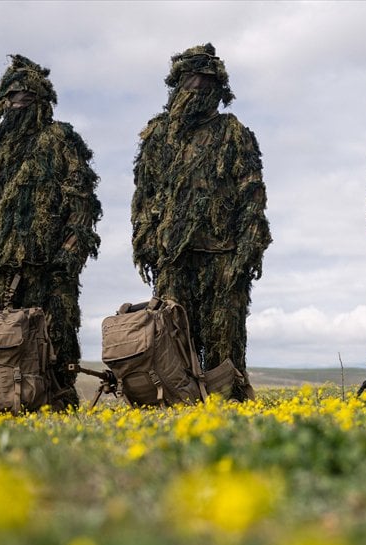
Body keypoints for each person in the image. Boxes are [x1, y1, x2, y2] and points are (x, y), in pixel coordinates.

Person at [0, 54, 102, 408]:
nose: (19, 102)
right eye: (13, 96)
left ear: (42, 102)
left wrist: (68, 253)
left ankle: (59, 405)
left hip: (49, 267)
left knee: (56, 339)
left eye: (27, 97)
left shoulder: (59, 139)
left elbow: (81, 200)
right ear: (2, 101)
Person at [131, 43, 271, 400]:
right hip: (172, 256)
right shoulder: (158, 135)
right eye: (189, 81)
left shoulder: (232, 132)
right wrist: (146, 241)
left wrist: (246, 253)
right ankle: (181, 407)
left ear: (218, 89)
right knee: (173, 339)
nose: (196, 89)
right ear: (177, 85)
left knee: (224, 339)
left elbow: (252, 195)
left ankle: (228, 406)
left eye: (205, 83)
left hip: (222, 254)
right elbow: (144, 194)